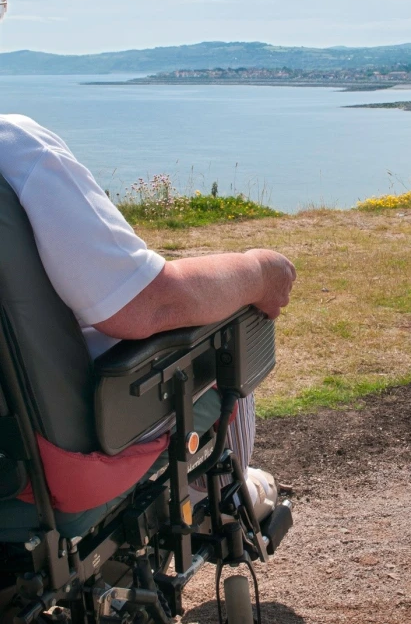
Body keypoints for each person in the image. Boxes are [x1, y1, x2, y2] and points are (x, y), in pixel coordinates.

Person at [0, 113, 296, 513]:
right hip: (58, 456)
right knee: (228, 336)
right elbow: (145, 304)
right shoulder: (13, 145)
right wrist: (260, 272)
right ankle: (228, 502)